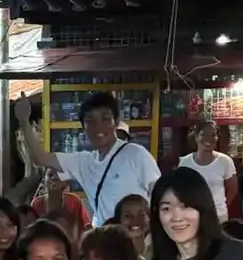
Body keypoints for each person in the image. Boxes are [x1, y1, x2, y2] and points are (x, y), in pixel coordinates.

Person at [16, 90, 162, 227]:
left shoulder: (135, 154)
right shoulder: (84, 162)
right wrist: (23, 121)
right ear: (83, 127)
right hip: (106, 238)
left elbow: (158, 195)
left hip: (137, 236)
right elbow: (40, 158)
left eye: (105, 119)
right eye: (91, 121)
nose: (98, 127)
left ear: (117, 122)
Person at [150, 167, 243, 260]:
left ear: (203, 208)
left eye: (186, 206)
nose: (177, 217)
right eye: (166, 209)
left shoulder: (238, 255)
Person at [178, 119, 239, 221]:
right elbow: (180, 189)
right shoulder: (185, 162)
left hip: (219, 216)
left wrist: (221, 206)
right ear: (196, 137)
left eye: (213, 135)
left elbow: (233, 188)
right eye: (204, 134)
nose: (209, 139)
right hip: (193, 216)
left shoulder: (225, 161)